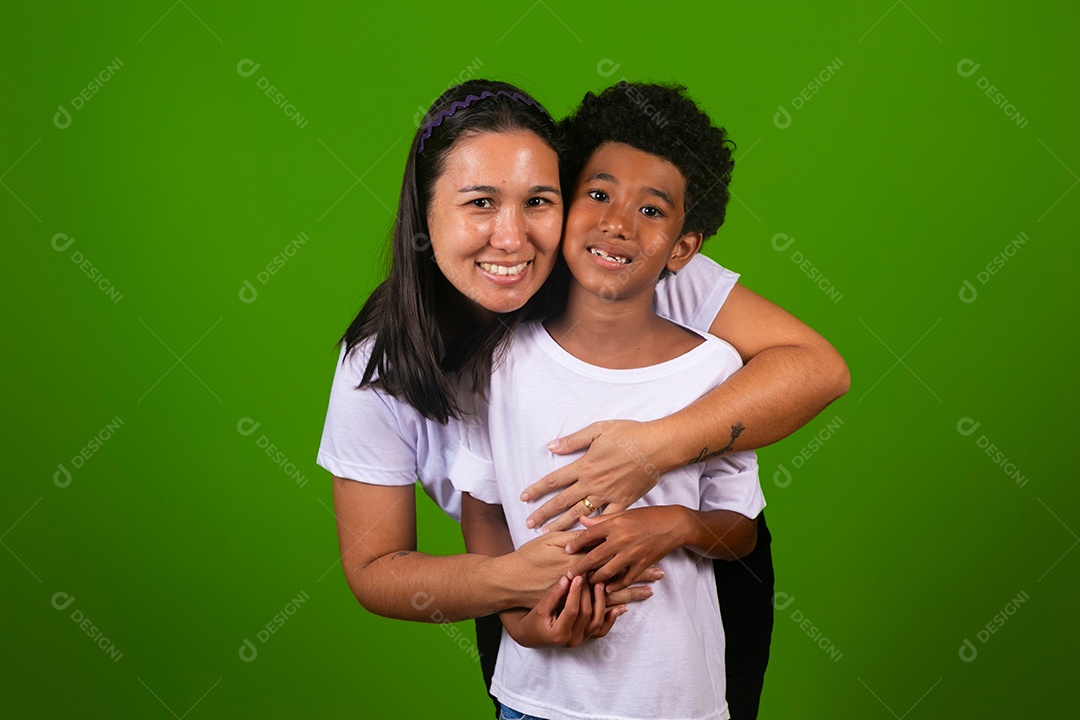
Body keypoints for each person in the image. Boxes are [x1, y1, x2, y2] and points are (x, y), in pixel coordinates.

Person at [317, 79, 849, 717]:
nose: (512, 239)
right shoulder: (378, 365)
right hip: (517, 575)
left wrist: (654, 450)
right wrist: (514, 594)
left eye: (538, 201)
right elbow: (377, 567)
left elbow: (818, 369)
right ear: (425, 212)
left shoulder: (623, 270)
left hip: (691, 583)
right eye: (479, 202)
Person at [453, 81, 765, 720]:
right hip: (537, 694)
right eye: (597, 194)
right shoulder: (499, 363)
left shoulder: (716, 370)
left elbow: (740, 529)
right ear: (562, 208)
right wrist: (520, 620)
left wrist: (673, 526)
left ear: (683, 249)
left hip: (677, 696)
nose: (617, 222)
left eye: (651, 211)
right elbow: (481, 507)